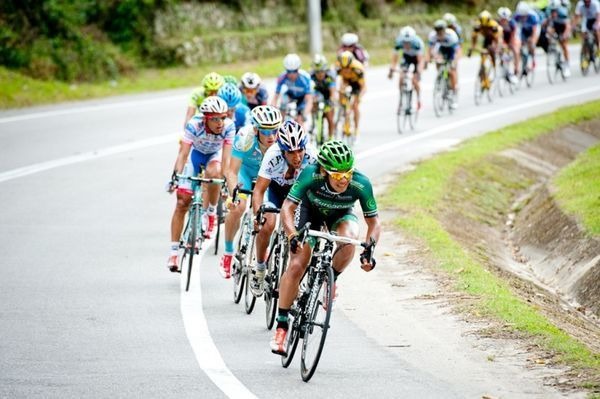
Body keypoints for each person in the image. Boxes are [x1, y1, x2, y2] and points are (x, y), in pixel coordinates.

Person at [270, 140, 380, 355]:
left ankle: (331, 279)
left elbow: (374, 223)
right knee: (297, 265)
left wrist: (370, 249)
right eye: (337, 175)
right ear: (324, 170)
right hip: (310, 212)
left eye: (347, 173)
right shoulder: (311, 175)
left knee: (349, 241)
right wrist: (292, 235)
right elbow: (288, 207)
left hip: (340, 214)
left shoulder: (361, 183)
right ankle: (281, 327)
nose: (344, 179)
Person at [166, 96, 234, 271]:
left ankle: (211, 212)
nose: (220, 122)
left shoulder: (229, 127)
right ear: (205, 118)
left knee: (214, 173)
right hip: (194, 156)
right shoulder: (194, 125)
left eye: (223, 117)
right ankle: (174, 253)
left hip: (214, 155)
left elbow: (226, 160)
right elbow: (183, 154)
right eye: (215, 118)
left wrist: (226, 180)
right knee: (182, 202)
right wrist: (176, 176)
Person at [250, 120, 317, 296]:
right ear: (282, 151)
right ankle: (260, 268)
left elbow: (318, 191)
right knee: (268, 224)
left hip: (298, 195)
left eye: (300, 150)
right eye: (291, 152)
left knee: (301, 232)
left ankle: (295, 275)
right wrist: (258, 216)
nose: (297, 157)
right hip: (275, 191)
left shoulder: (312, 155)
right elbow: (258, 190)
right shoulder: (272, 155)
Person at [219, 106, 283, 278]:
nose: (271, 136)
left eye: (274, 131)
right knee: (238, 207)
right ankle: (228, 252)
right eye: (265, 131)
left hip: (269, 177)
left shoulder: (282, 140)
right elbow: (232, 171)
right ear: (256, 130)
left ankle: (262, 249)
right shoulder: (244, 137)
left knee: (269, 218)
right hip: (245, 173)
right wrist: (234, 195)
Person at [388, 26, 425, 110]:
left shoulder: (417, 43)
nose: (407, 44)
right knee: (401, 76)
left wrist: (418, 72)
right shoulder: (398, 42)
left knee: (415, 80)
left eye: (409, 42)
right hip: (406, 57)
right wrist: (391, 70)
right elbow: (394, 60)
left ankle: (419, 100)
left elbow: (420, 61)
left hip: (416, 58)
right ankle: (401, 99)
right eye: (405, 42)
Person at [426, 19, 460, 110]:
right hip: (441, 50)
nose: (439, 33)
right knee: (439, 62)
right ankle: (441, 78)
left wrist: (455, 61)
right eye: (437, 31)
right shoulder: (433, 36)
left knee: (452, 71)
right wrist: (428, 59)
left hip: (451, 51)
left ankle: (453, 91)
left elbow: (457, 51)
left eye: (441, 31)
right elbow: (430, 49)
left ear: (444, 30)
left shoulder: (451, 35)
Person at [272, 54, 313, 126]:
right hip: (290, 95)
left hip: (302, 97)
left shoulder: (305, 78)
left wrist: (305, 114)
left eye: (294, 71)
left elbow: (309, 100)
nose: (291, 74)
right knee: (283, 102)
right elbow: (275, 97)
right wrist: (273, 111)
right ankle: (281, 126)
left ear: (298, 69)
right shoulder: (282, 77)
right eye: (289, 71)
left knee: (300, 121)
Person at [335, 51, 366, 137]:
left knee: (355, 106)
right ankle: (343, 111)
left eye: (348, 67)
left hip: (357, 84)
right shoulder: (338, 67)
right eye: (343, 68)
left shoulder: (358, 69)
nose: (345, 69)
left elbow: (363, 87)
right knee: (341, 94)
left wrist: (359, 97)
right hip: (345, 81)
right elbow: (335, 83)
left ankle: (356, 128)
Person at [309, 54, 336, 141]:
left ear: (325, 70)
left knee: (330, 118)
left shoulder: (330, 77)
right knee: (313, 104)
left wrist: (331, 100)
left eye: (322, 71)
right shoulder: (311, 77)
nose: (320, 74)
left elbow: (333, 92)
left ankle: (331, 137)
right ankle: (313, 124)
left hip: (328, 97)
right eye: (317, 72)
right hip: (317, 96)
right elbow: (310, 91)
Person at [545, 0, 572, 77]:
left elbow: (568, 26)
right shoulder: (549, 12)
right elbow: (548, 24)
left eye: (555, 10)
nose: (553, 12)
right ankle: (553, 49)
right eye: (552, 10)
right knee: (549, 32)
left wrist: (564, 35)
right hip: (556, 26)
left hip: (563, 28)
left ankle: (567, 65)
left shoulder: (563, 13)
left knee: (564, 45)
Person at [514, 1, 541, 69]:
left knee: (532, 43)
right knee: (519, 43)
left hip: (534, 29)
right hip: (524, 29)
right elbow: (515, 29)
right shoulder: (517, 16)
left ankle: (533, 59)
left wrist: (532, 38)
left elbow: (535, 30)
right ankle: (522, 61)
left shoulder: (533, 16)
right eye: (521, 16)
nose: (523, 18)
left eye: (524, 16)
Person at [497, 7, 522, 78]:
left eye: (505, 19)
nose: (503, 21)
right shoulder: (497, 23)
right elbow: (498, 36)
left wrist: (510, 44)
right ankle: (502, 62)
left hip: (513, 37)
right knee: (500, 47)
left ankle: (516, 68)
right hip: (503, 37)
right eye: (502, 19)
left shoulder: (512, 23)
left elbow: (513, 36)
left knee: (515, 50)